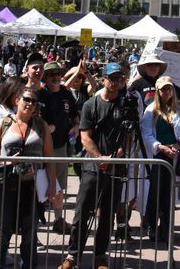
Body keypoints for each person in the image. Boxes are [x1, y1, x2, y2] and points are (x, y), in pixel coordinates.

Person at [0, 87, 64, 269]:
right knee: (1, 233)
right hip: (6, 185)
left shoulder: (41, 126)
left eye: (34, 101)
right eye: (27, 100)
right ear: (17, 100)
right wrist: (5, 161)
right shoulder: (4, 123)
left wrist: (52, 186)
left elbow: (49, 159)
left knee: (29, 234)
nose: (30, 104)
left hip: (32, 188)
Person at [60, 62, 130, 269]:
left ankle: (100, 255)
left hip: (116, 167)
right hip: (92, 167)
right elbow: (85, 137)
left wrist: (115, 157)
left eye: (120, 78)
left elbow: (129, 138)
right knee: (83, 211)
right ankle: (73, 255)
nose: (117, 82)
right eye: (113, 78)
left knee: (107, 214)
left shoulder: (126, 105)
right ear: (103, 79)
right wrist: (100, 158)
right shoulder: (91, 104)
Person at [140, 75, 180, 248]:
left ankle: (166, 228)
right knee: (156, 192)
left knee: (169, 195)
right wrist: (160, 147)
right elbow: (146, 133)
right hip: (158, 156)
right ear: (158, 91)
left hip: (175, 154)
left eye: (169, 88)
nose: (167, 92)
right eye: (163, 89)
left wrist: (179, 144)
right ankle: (152, 227)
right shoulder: (151, 110)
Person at [39, 61, 78, 234]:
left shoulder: (66, 94)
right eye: (51, 74)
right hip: (40, 148)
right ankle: (35, 223)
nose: (55, 77)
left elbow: (75, 115)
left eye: (58, 74)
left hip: (61, 146)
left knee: (60, 186)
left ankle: (58, 220)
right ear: (45, 77)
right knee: (40, 186)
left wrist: (76, 126)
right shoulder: (40, 95)